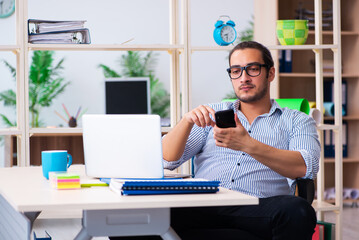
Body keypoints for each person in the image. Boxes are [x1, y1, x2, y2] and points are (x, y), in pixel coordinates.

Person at [161, 41, 320, 240]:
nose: (243, 78)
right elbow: (165, 160)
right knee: (136, 216)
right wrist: (185, 122)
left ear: (270, 73)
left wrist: (247, 144)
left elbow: (305, 166)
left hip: (257, 209)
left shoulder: (297, 120)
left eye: (252, 69)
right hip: (203, 206)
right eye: (236, 71)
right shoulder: (212, 113)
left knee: (298, 210)